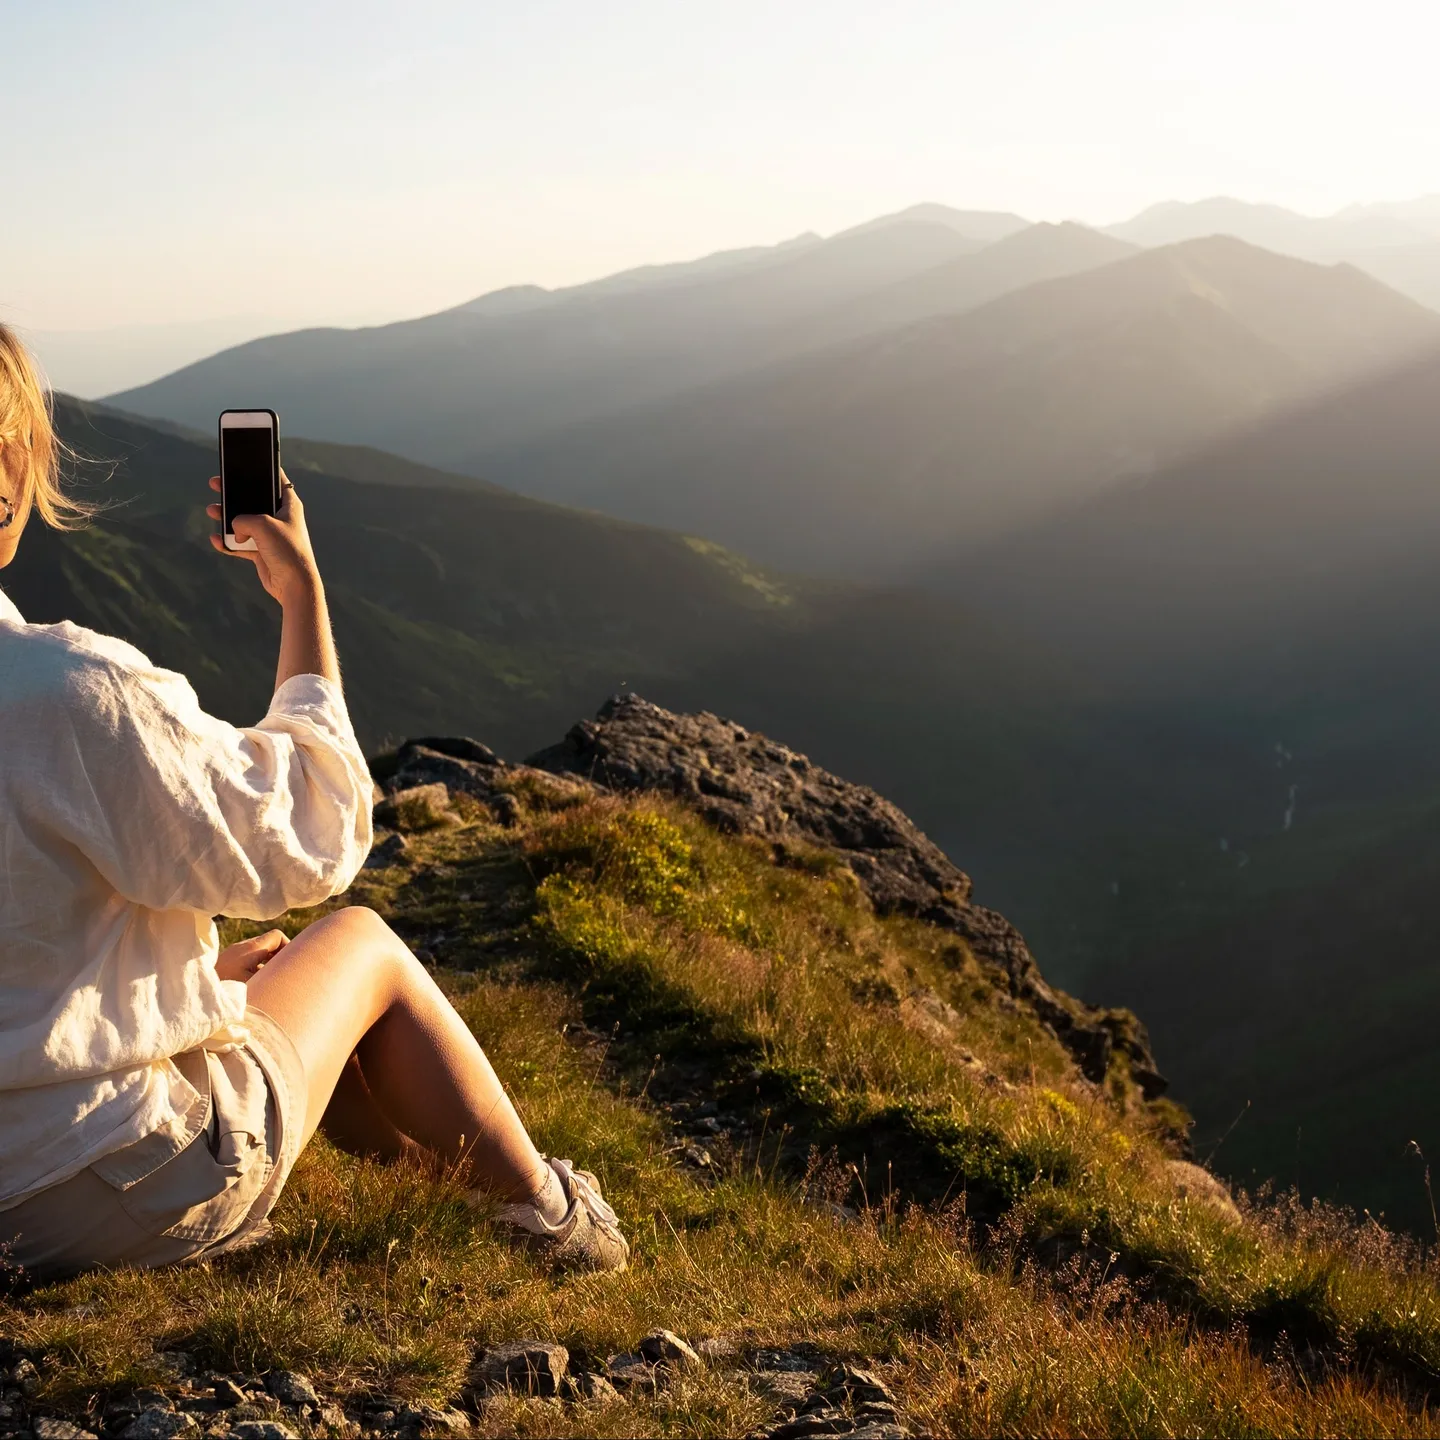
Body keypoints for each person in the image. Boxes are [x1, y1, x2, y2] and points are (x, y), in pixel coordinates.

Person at [0, 324, 627, 1276]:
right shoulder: (66, 692)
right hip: (87, 1190)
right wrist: (303, 596)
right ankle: (555, 1220)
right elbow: (310, 832)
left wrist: (192, 987)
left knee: (252, 980)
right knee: (360, 945)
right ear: (10, 464)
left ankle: (443, 1192)